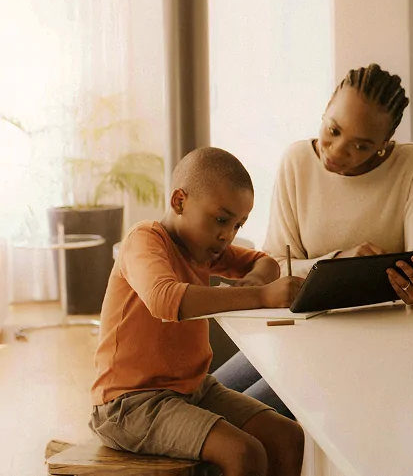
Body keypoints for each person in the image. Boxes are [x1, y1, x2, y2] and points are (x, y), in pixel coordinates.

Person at [214, 63, 413, 417]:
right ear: (325, 108)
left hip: (378, 348)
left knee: (237, 421)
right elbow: (275, 265)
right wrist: (340, 262)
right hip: (299, 333)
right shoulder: (296, 162)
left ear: (384, 145)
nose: (338, 151)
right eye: (333, 130)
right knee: (199, 404)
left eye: (361, 145)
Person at [90, 147, 305, 476]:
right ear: (179, 202)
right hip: (130, 404)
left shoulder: (205, 247)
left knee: (287, 436)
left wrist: (252, 283)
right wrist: (260, 296)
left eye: (237, 225)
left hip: (193, 388)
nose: (227, 235)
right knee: (243, 452)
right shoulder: (145, 241)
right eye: (221, 219)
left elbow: (264, 261)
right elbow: (165, 299)